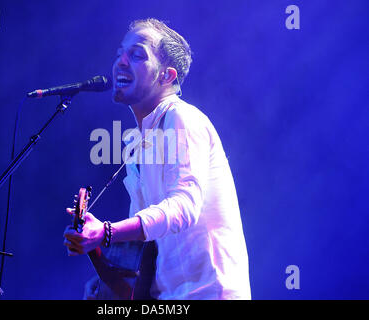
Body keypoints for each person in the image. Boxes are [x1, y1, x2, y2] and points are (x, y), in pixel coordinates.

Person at [63, 18, 251, 300]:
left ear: (166, 76)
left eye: (137, 54)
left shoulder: (181, 117)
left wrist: (105, 232)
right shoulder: (135, 144)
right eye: (119, 54)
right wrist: (105, 276)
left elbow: (184, 206)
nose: (121, 62)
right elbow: (144, 243)